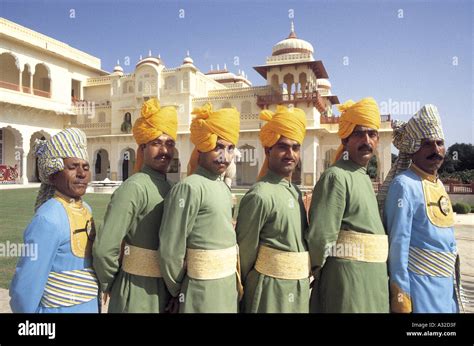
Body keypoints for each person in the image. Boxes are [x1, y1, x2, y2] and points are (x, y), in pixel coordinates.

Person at [93, 98, 177, 313]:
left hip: (166, 292)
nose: (164, 150)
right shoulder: (134, 187)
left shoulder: (172, 188)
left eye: (169, 143)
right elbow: (105, 248)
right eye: (156, 143)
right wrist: (108, 282)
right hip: (135, 290)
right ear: (142, 148)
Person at [306, 97, 389, 313]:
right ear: (345, 139)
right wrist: (318, 271)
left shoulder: (362, 176)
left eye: (372, 134)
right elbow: (320, 236)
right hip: (347, 281)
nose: (367, 140)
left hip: (374, 280)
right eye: (359, 134)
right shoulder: (336, 176)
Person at [379, 105, 464, 313]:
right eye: (427, 144)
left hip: (446, 291)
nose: (436, 150)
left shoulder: (439, 184)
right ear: (413, 148)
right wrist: (401, 297)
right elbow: (398, 246)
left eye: (440, 143)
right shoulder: (404, 185)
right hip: (419, 291)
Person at [159, 102, 241, 313]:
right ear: (202, 146)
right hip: (200, 290)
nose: (225, 156)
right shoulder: (189, 188)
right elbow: (171, 249)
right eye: (218, 147)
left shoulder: (222, 186)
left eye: (230, 148)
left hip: (227, 286)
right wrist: (177, 290)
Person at [10, 128, 99, 313]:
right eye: (72, 167)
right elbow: (27, 283)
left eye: (85, 167)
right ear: (53, 174)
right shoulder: (48, 219)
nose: (81, 173)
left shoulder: (86, 210)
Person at [236, 105, 310, 313]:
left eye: (295, 148)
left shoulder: (294, 191)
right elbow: (245, 252)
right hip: (268, 291)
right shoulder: (259, 195)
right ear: (268, 149)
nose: (290, 154)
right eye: (283, 147)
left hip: (298, 287)